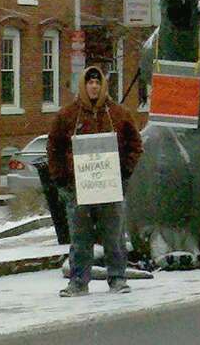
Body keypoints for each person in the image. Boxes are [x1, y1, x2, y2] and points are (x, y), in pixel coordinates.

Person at [47, 65, 143, 296]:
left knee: (114, 236)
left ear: (103, 86)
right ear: (83, 85)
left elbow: (135, 145)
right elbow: (54, 149)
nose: (94, 87)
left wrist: (125, 172)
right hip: (79, 190)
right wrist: (61, 181)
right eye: (90, 83)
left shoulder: (119, 114)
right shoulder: (67, 116)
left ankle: (118, 278)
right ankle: (78, 282)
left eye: (97, 83)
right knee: (80, 238)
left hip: (111, 188)